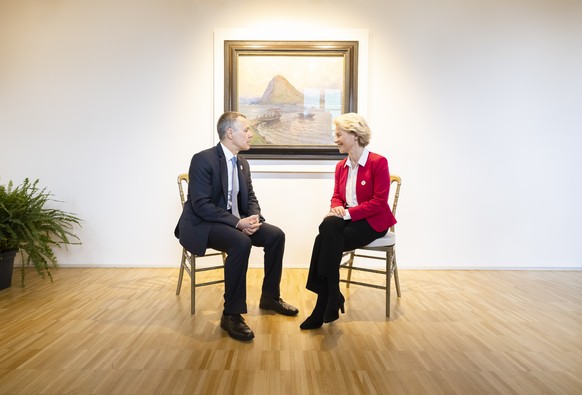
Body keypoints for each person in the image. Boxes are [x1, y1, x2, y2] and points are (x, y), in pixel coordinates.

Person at [175, 111, 298, 341]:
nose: (251, 134)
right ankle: (231, 314)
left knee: (276, 235)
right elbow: (201, 205)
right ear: (230, 133)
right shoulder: (203, 159)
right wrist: (237, 223)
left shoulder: (242, 163)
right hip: (205, 224)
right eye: (247, 130)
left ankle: (270, 297)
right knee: (241, 242)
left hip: (234, 222)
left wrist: (254, 219)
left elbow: (250, 197)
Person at [300, 113, 397, 330]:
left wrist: (344, 214)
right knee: (327, 228)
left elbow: (379, 203)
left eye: (339, 135)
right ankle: (332, 295)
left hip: (373, 222)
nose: (336, 140)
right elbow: (337, 196)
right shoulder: (340, 166)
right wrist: (336, 207)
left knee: (323, 238)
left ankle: (323, 304)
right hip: (349, 219)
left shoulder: (378, 162)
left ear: (354, 135)